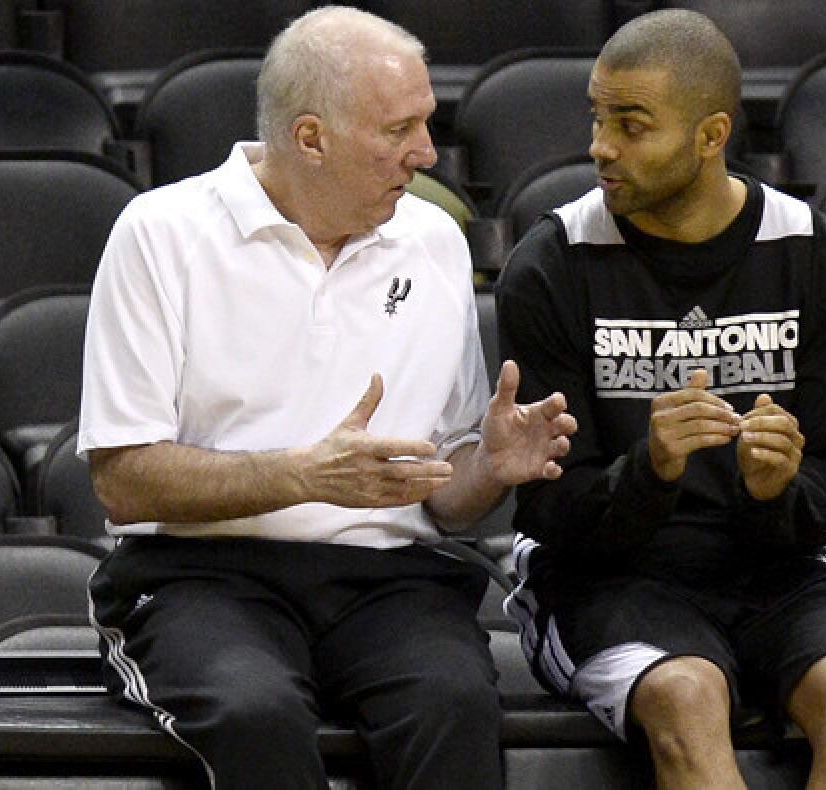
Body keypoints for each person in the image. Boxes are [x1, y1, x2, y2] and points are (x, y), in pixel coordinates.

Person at [77, 7, 576, 789]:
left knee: (452, 705)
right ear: (310, 138)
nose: (426, 151)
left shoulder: (435, 239)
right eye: (398, 129)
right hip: (199, 573)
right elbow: (123, 477)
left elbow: (443, 497)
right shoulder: (161, 232)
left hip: (390, 579)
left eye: (427, 122)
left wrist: (489, 470)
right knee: (255, 715)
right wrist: (305, 476)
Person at [496, 9, 826, 789]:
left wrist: (773, 492)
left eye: (632, 124)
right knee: (688, 695)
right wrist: (650, 472)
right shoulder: (553, 264)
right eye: (597, 117)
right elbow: (546, 510)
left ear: (711, 134)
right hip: (604, 579)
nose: (600, 146)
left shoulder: (820, 257)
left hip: (773, 567)